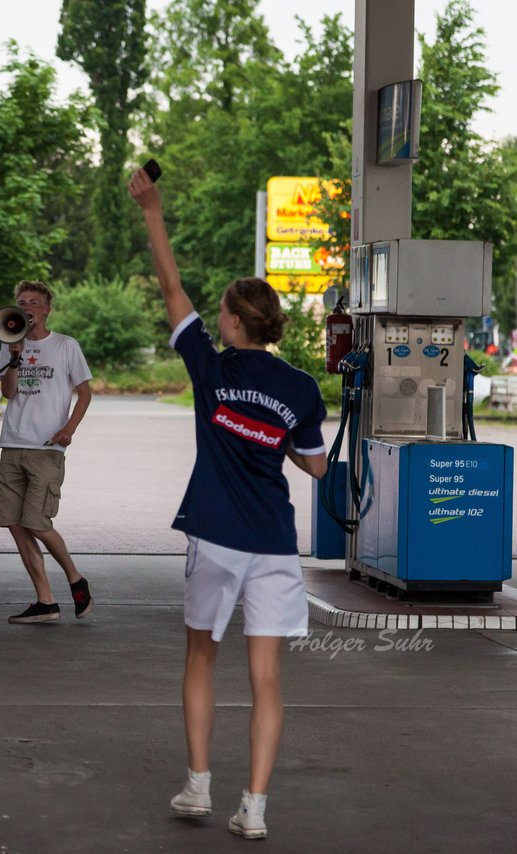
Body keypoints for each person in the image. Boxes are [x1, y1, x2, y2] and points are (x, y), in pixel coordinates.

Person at [128, 168, 327, 840]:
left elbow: (169, 285)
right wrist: (288, 446)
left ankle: (198, 787)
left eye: (220, 313)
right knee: (266, 677)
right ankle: (256, 809)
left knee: (201, 657)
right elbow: (316, 463)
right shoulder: (300, 388)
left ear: (237, 323)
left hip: (215, 535)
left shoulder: (210, 370)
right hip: (274, 541)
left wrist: (153, 207)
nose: (213, 318)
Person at [0, 280, 94, 624]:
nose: (28, 306)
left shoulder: (65, 346)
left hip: (46, 449)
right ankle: (45, 601)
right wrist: (15, 358)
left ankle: (75, 578)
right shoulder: (9, 346)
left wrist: (69, 430)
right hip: (13, 444)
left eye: (34, 301)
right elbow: (7, 393)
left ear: (46, 308)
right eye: (22, 301)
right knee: (15, 523)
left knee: (36, 521)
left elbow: (85, 392)